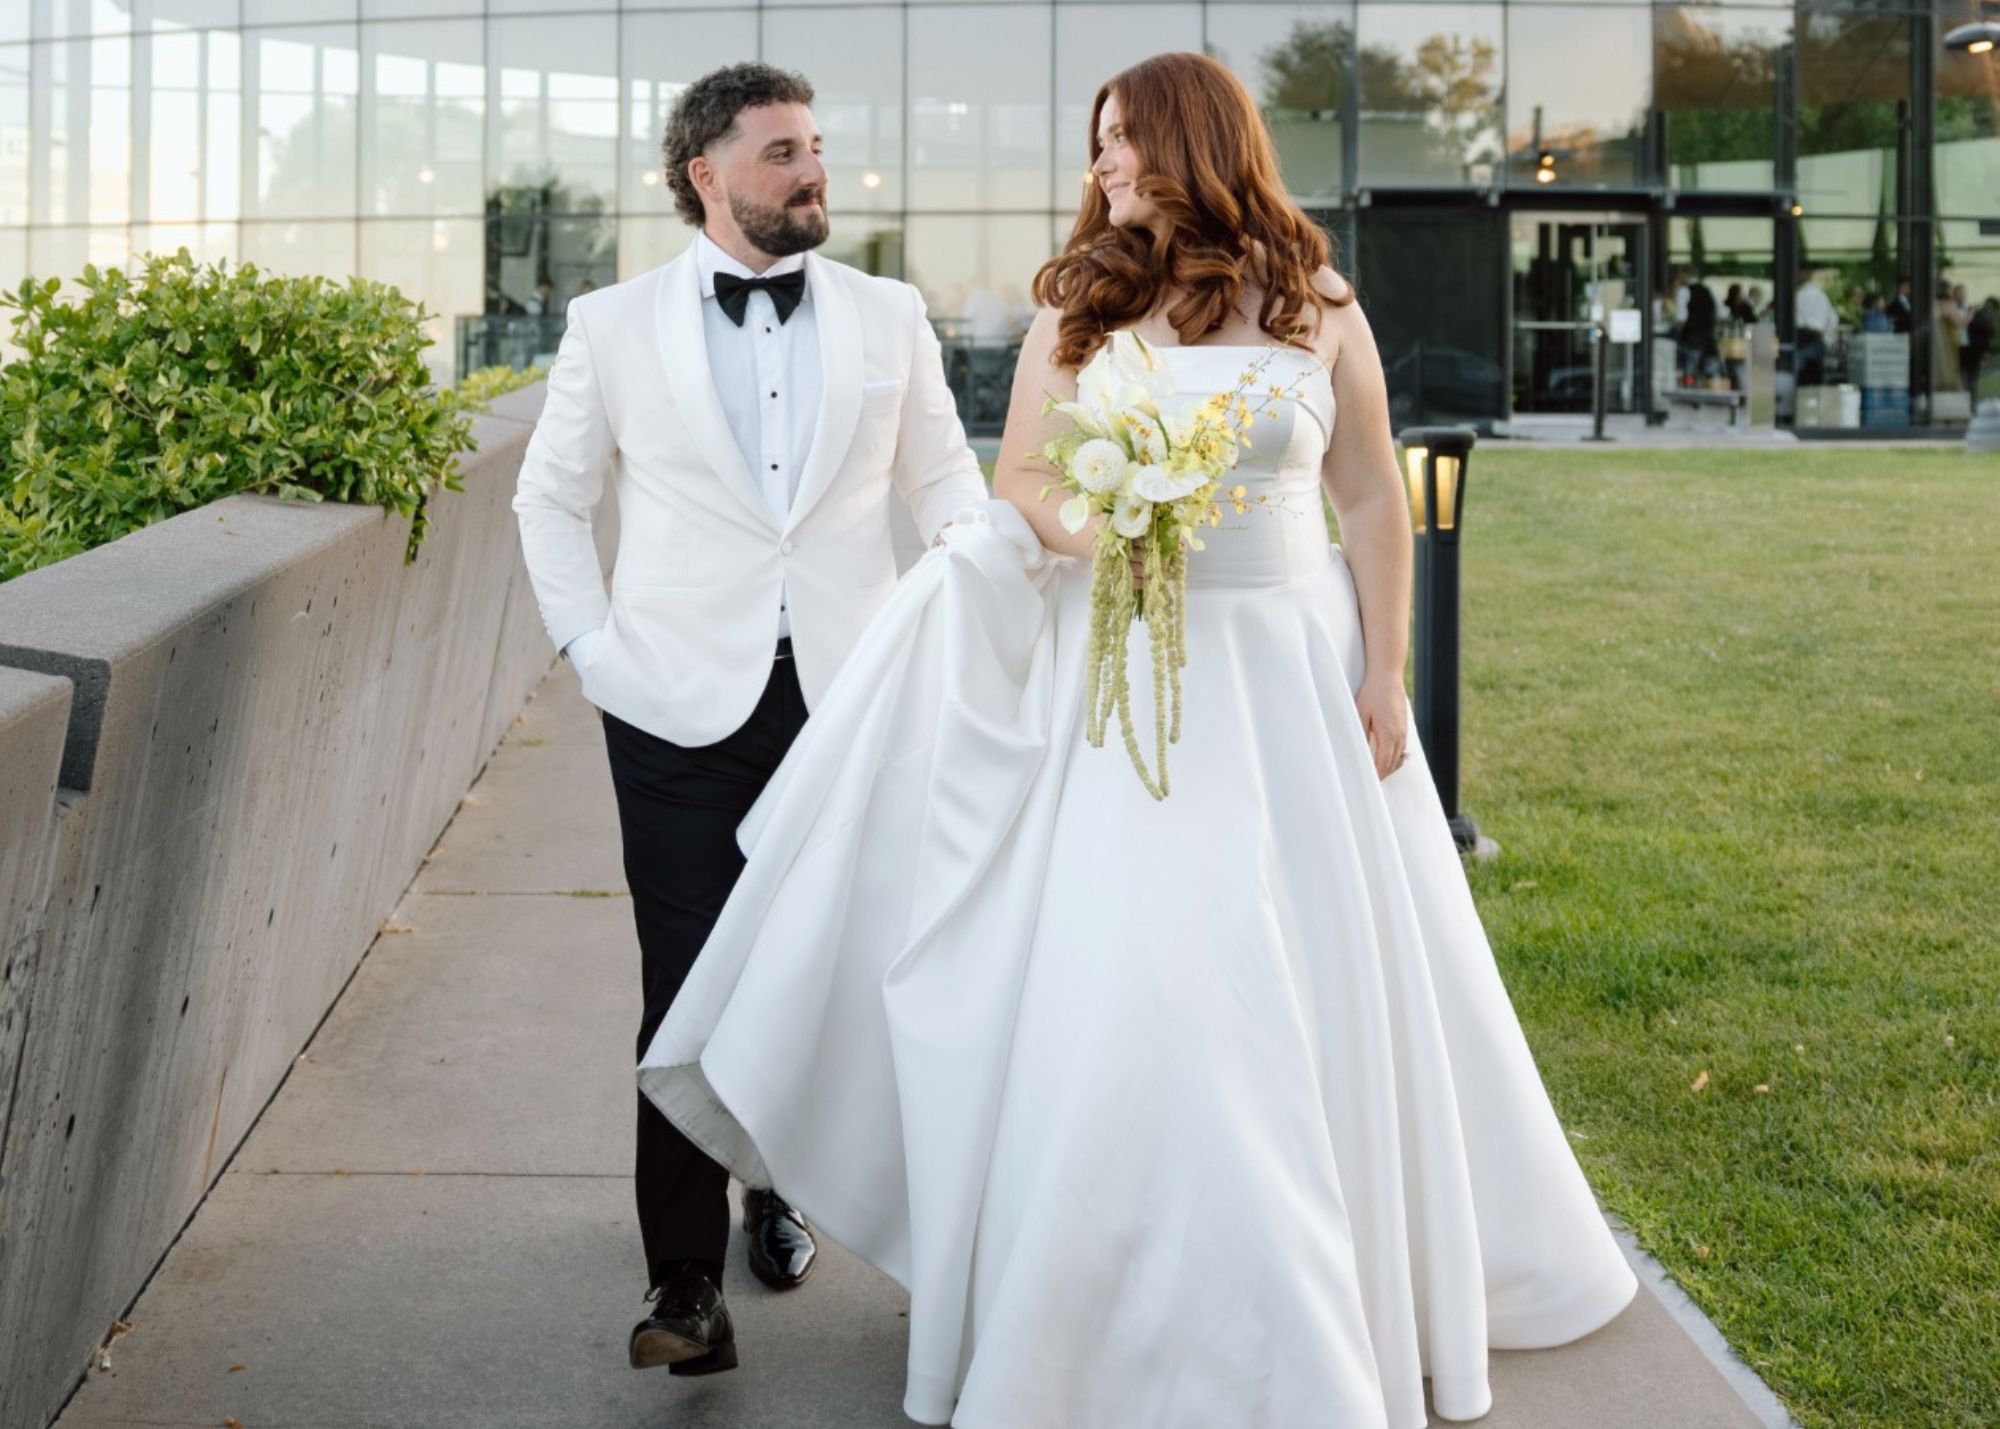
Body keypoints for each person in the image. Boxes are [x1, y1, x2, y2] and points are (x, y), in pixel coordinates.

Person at [639, 50, 1636, 1427]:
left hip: (1291, 679)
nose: (1104, 167)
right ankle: (1110, 1307)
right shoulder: (1080, 311)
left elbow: (1366, 501)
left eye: (1125, 142)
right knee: (1152, 981)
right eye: (1096, 144)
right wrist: (1106, 524)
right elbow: (1025, 484)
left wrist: (1389, 673)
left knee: (1301, 980)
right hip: (1128, 699)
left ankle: (1315, 1300)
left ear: (1197, 144)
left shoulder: (1317, 302)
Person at [511, 62, 987, 1375]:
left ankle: (780, 1191)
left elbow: (949, 487)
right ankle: (685, 1280)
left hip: (857, 702)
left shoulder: (892, 315)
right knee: (687, 984)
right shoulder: (610, 326)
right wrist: (595, 651)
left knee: (847, 969)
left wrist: (972, 601)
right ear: (706, 175)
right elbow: (548, 502)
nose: (813, 170)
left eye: (817, 146)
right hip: (668, 705)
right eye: (782, 152)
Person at [1796, 269, 1839, 385]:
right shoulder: (1822, 296)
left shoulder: (1798, 296)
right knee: (1816, 379)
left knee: (1800, 379)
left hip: (1801, 338)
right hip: (1817, 339)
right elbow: (1833, 320)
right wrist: (1827, 339)